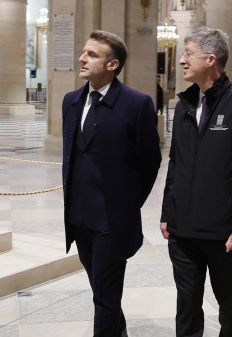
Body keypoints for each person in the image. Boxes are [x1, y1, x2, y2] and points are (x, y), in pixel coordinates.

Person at [160, 27, 232, 337]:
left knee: (228, 300)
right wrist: (168, 213)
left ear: (210, 59)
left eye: (187, 54)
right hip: (182, 229)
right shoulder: (183, 106)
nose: (181, 61)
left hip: (223, 231)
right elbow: (176, 165)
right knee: (187, 303)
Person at [61, 30, 162, 337]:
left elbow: (150, 162)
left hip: (111, 219)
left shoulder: (137, 104)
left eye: (92, 54)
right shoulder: (71, 101)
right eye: (84, 52)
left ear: (112, 65)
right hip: (79, 217)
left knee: (105, 297)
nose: (82, 58)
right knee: (101, 291)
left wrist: (125, 203)